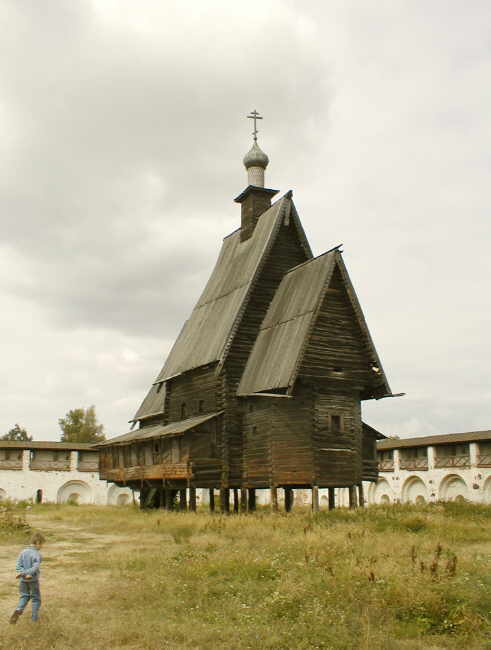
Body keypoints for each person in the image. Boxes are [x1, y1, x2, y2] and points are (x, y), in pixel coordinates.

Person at [9, 531, 45, 624]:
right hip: (32, 580)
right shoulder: (37, 554)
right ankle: (34, 619)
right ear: (37, 543)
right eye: (41, 544)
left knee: (24, 596)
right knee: (36, 598)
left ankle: (18, 609)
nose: (42, 547)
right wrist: (28, 573)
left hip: (22, 579)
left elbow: (18, 564)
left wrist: (22, 573)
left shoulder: (23, 552)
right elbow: (35, 567)